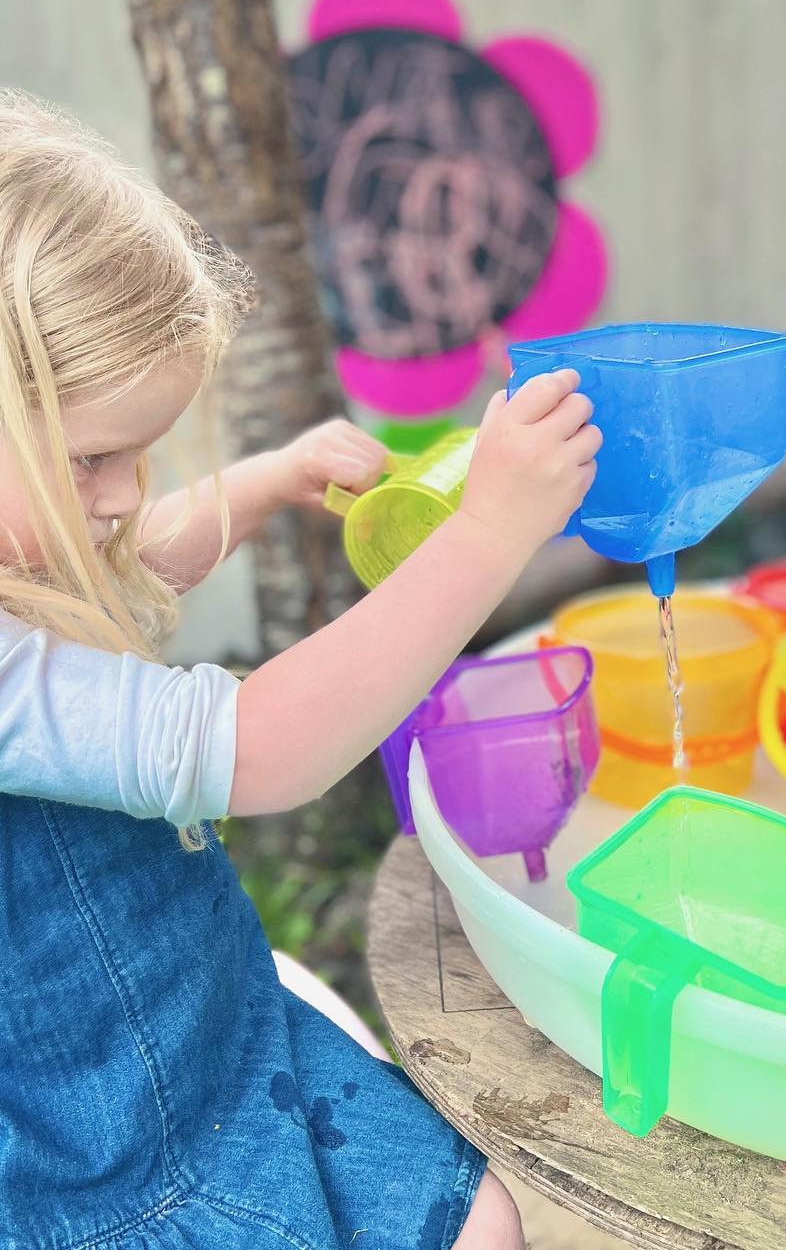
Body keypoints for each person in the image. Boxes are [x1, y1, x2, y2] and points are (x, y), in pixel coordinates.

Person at [0, 90, 601, 1249]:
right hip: (113, 1155)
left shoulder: (26, 572)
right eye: (94, 457)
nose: (124, 494)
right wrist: (485, 537)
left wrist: (263, 481)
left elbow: (105, 584)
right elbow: (261, 748)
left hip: (212, 1033)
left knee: (480, 1221)